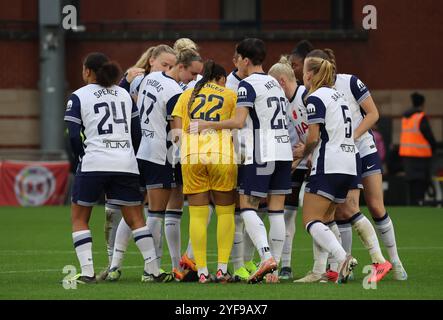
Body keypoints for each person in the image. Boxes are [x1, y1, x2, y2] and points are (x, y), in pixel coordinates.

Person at [63, 52, 173, 284]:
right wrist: (127, 153)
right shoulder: (123, 94)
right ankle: (153, 270)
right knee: (135, 218)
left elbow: (73, 134)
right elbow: (136, 132)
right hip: (125, 163)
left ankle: (87, 273)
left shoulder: (78, 96)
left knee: (80, 218)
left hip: (94, 161)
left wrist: (81, 155)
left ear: (88, 71)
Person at [194, 38, 292, 284]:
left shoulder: (247, 85)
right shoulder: (275, 83)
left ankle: (266, 257)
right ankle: (275, 271)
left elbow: (238, 122)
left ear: (246, 60)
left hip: (260, 152)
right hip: (283, 151)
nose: (234, 62)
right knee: (277, 210)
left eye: (236, 58)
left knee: (247, 206)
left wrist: (207, 124)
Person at [304, 48, 406, 283]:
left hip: (349, 154)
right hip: (347, 158)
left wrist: (303, 155)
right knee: (346, 209)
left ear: (312, 72)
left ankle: (377, 260)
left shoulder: (340, 86)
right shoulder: (332, 95)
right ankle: (355, 263)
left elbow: (372, 114)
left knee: (369, 206)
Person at [101, 44, 177, 281]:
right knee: (154, 212)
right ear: (152, 60)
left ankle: (115, 265)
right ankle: (151, 268)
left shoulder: (138, 80)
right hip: (156, 153)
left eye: (172, 66)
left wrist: (126, 79)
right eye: (165, 64)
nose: (169, 69)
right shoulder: (165, 84)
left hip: (137, 153)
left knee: (132, 210)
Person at [134, 47, 203, 282]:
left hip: (143, 149)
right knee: (155, 213)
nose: (193, 80)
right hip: (161, 155)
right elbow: (176, 132)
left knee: (138, 209)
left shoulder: (150, 78)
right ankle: (150, 270)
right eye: (192, 74)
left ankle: (138, 266)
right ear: (180, 67)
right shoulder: (175, 92)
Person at [293, 55, 358, 284]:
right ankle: (323, 270)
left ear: (309, 75)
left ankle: (342, 258)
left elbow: (313, 136)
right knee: (328, 219)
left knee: (310, 220)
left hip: (330, 163)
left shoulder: (315, 97)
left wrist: (302, 153)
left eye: (303, 72)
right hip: (349, 163)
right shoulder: (339, 96)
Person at [172, 60, 237, 283]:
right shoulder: (229, 94)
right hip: (221, 155)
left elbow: (177, 131)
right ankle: (222, 269)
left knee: (197, 215)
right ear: (220, 78)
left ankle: (201, 272)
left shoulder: (186, 95)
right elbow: (238, 123)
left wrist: (185, 151)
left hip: (192, 156)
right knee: (225, 213)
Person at [268, 56, 309, 280]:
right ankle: (285, 264)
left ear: (281, 81)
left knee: (325, 215)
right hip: (294, 159)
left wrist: (306, 152)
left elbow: (317, 130)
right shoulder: (286, 100)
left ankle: (334, 263)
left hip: (313, 159)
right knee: (287, 215)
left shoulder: (305, 96)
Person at [399, 92, 436, 205]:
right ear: (423, 104)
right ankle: (418, 204)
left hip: (407, 157)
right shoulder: (420, 117)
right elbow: (428, 135)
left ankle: (412, 205)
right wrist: (434, 146)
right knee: (420, 185)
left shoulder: (405, 118)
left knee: (411, 184)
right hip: (420, 157)